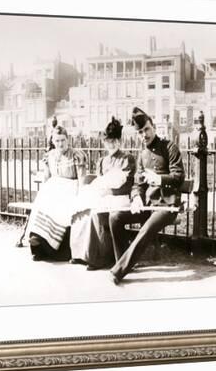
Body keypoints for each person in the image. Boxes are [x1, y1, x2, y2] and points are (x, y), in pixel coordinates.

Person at [109, 107, 184, 284]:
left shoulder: (169, 147)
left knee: (146, 229)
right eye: (140, 132)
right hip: (149, 205)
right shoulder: (142, 155)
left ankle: (119, 271)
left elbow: (179, 176)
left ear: (154, 127)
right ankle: (122, 262)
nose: (144, 135)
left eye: (147, 129)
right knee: (115, 217)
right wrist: (136, 198)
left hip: (167, 206)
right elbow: (138, 184)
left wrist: (159, 179)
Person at [70, 117, 136, 270]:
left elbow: (128, 187)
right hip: (105, 197)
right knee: (81, 209)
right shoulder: (102, 161)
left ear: (120, 141)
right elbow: (100, 183)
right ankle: (81, 254)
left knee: (96, 212)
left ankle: (99, 258)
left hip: (120, 198)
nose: (111, 145)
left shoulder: (127, 159)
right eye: (108, 142)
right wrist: (100, 191)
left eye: (114, 141)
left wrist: (109, 191)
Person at [25, 125, 87, 261]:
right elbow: (47, 178)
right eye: (57, 140)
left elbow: (82, 178)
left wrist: (82, 196)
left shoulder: (76, 155)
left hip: (71, 187)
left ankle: (55, 248)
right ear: (53, 141)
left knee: (60, 209)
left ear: (68, 140)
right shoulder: (50, 155)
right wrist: (46, 167)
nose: (60, 143)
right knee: (42, 203)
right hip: (54, 187)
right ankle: (38, 244)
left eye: (63, 140)